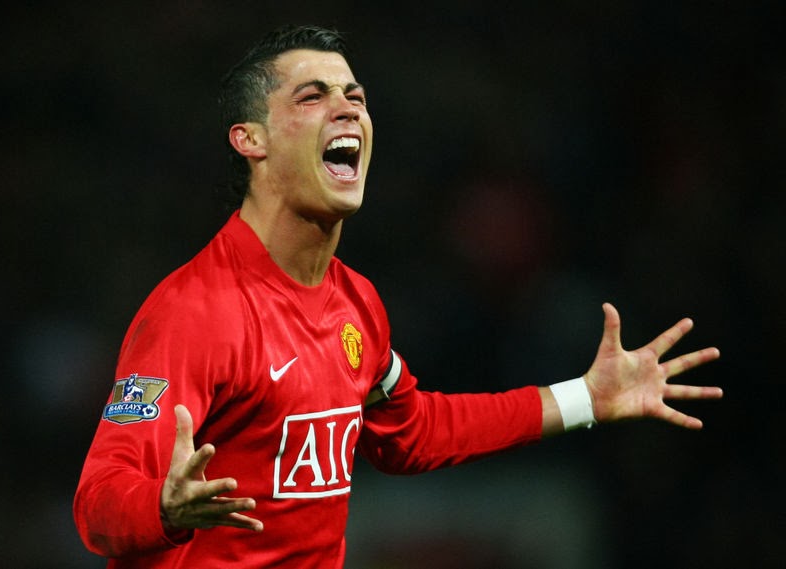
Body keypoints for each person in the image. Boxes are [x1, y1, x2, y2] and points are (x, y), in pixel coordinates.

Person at [73, 24, 722, 568]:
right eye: (313, 96)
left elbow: (412, 432)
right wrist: (162, 508)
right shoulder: (196, 310)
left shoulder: (355, 303)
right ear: (252, 139)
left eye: (355, 96)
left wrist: (586, 397)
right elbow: (98, 498)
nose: (348, 108)